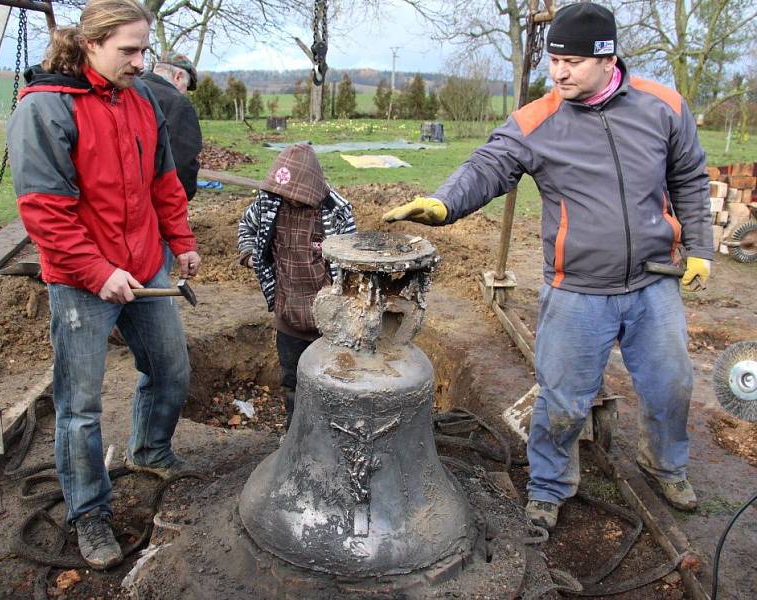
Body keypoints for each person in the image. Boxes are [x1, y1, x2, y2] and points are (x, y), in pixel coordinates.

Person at [382, 2, 712, 531]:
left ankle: (664, 464)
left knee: (672, 384)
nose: (559, 72)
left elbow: (691, 179)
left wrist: (701, 248)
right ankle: (550, 486)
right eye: (554, 60)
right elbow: (488, 166)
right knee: (562, 398)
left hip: (655, 281)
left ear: (609, 59)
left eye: (573, 62)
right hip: (577, 289)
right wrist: (444, 203)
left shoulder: (664, 106)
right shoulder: (539, 120)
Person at [6, 0, 201, 570]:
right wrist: (97, 272)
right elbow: (44, 213)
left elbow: (163, 179)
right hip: (80, 281)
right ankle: (89, 511)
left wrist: (181, 241)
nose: (142, 62)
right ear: (90, 45)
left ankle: (151, 452)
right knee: (80, 407)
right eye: (129, 51)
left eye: (146, 50)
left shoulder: (139, 99)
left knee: (170, 367)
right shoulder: (45, 110)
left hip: (143, 265)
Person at [237, 144, 356, 428]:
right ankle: (295, 437)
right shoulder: (269, 205)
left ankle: (330, 434)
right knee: (292, 382)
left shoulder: (335, 213)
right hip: (288, 312)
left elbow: (353, 260)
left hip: (328, 322)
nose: (290, 199)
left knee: (332, 384)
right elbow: (246, 226)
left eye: (297, 195)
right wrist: (250, 254)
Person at [141, 53, 202, 201]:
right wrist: (182, 196)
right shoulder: (177, 104)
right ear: (178, 76)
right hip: (157, 201)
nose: (184, 92)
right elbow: (182, 162)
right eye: (186, 86)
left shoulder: (129, 90)